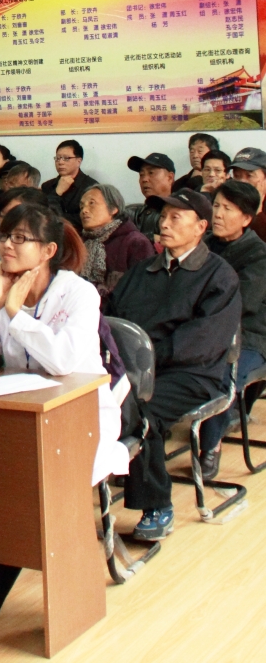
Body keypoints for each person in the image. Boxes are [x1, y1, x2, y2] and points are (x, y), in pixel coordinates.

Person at [0, 203, 125, 657]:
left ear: (49, 250)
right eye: (4, 236)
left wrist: (16, 314)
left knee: (25, 496)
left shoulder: (78, 294)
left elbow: (63, 361)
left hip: (79, 421)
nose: (7, 246)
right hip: (22, 418)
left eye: (20, 239)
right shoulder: (4, 288)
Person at [107, 189, 240, 541]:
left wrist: (143, 362)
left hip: (192, 373)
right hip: (134, 370)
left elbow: (203, 342)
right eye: (163, 216)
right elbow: (113, 318)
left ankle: (158, 505)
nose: (164, 223)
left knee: (140, 412)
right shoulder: (143, 270)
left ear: (200, 227)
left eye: (175, 217)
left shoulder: (219, 275)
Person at [198, 181, 266, 479]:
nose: (218, 214)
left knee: (222, 372)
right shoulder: (202, 245)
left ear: (247, 218)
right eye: (216, 206)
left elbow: (242, 303)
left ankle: (210, 446)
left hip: (249, 338)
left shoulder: (259, 255)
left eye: (228, 208)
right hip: (203, 330)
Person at [79, 183, 155, 308]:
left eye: (92, 203)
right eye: (81, 206)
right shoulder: (79, 243)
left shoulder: (135, 243)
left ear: (114, 209)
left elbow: (140, 292)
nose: (84, 210)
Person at [42, 139, 98, 232]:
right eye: (57, 158)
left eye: (66, 158)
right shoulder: (47, 186)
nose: (60, 162)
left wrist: (58, 218)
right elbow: (43, 215)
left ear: (79, 161)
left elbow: (85, 219)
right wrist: (57, 192)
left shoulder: (91, 187)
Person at [124, 153, 176, 244]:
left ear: (169, 178)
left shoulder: (182, 212)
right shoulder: (130, 212)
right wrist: (151, 238)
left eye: (151, 173)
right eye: (141, 175)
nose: (144, 179)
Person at [229, 147, 266, 242]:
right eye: (237, 176)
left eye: (249, 176)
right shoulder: (228, 199)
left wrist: (257, 212)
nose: (242, 182)